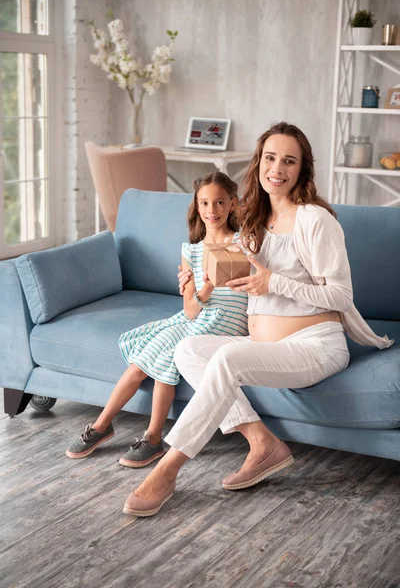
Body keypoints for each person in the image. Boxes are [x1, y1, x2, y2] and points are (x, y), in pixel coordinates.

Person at [122, 121, 394, 517]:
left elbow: (339, 296)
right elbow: (229, 276)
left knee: (227, 360)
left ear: (303, 169)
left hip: (315, 345)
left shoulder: (315, 220)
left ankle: (168, 468)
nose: (277, 169)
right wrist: (194, 281)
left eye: (289, 160)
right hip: (264, 345)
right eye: (270, 158)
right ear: (258, 162)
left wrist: (275, 282)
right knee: (189, 349)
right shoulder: (251, 220)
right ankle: (262, 442)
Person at [66, 171, 248, 467]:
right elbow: (190, 310)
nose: (211, 211)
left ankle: (153, 437)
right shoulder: (191, 250)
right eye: (204, 203)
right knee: (141, 362)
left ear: (232, 204)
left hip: (225, 323)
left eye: (218, 203)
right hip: (196, 320)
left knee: (167, 357)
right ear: (197, 206)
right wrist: (206, 286)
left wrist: (217, 283)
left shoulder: (243, 243)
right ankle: (101, 426)